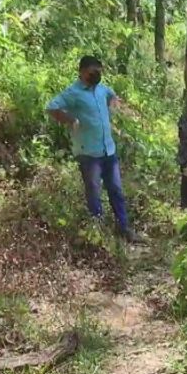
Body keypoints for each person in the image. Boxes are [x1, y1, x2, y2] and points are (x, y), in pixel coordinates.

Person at [46, 56, 140, 243]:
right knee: (94, 192)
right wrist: (70, 120)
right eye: (92, 72)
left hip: (108, 150)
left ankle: (124, 228)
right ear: (82, 72)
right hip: (88, 153)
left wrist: (113, 105)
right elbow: (51, 107)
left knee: (116, 190)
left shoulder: (101, 89)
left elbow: (112, 95)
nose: (96, 75)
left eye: (99, 71)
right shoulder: (73, 93)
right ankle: (97, 233)